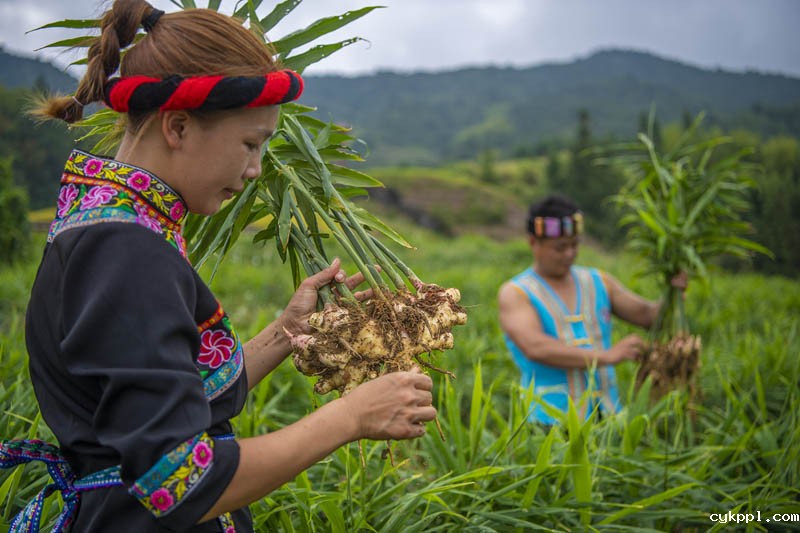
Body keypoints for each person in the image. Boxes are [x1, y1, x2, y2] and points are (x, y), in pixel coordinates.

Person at [1, 2, 436, 531]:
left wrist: (285, 332)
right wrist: (351, 417)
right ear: (178, 127)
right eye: (250, 144)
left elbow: (166, 396)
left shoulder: (106, 221)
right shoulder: (125, 248)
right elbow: (180, 481)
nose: (255, 169)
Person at [497, 194, 686, 425]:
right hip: (548, 424)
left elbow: (648, 316)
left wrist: (673, 294)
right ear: (533, 243)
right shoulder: (517, 292)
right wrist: (607, 356)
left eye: (575, 245)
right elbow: (535, 347)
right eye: (560, 248)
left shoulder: (599, 282)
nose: (569, 254)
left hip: (608, 418)